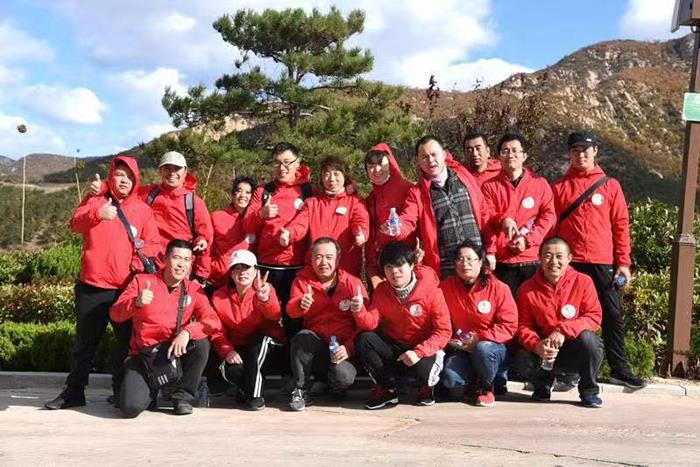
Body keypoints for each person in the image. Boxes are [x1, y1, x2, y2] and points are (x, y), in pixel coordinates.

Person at [45, 156, 159, 410]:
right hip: (92, 285)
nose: (124, 180)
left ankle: (120, 392)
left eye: (129, 176)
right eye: (119, 175)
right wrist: (98, 213)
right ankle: (74, 392)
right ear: (110, 177)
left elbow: (153, 244)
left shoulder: (143, 210)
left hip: (125, 289)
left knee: (125, 344)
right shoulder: (96, 200)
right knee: (85, 344)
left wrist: (135, 263)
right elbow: (75, 224)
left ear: (136, 181)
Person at [550, 130, 646, 389]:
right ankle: (568, 370)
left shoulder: (610, 185)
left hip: (602, 262)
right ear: (569, 154)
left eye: (585, 150)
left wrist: (623, 263)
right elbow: (551, 229)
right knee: (567, 315)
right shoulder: (558, 187)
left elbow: (621, 226)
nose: (580, 155)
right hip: (570, 264)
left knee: (612, 316)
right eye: (575, 150)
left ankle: (620, 369)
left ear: (595, 152)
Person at [110, 239, 220, 417]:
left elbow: (213, 321)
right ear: (165, 259)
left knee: (201, 344)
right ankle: (154, 388)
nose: (181, 264)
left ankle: (182, 396)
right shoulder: (142, 281)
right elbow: (115, 314)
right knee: (130, 408)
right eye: (177, 258)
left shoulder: (194, 290)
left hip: (174, 352)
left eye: (187, 259)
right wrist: (135, 303)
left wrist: (188, 332)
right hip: (145, 355)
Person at [88, 151, 214, 284]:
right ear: (160, 170)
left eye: (177, 168)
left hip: (180, 270)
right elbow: (122, 189)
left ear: (185, 172)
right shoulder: (148, 194)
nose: (172, 173)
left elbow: (206, 241)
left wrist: (200, 276)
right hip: (150, 266)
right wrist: (102, 187)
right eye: (167, 168)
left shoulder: (193, 202)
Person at [354, 241, 451, 409]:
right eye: (389, 267)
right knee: (364, 339)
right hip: (396, 347)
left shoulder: (432, 292)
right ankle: (387, 389)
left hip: (424, 348)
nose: (394, 272)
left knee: (425, 372)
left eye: (400, 266)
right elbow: (371, 323)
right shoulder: (382, 290)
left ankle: (426, 387)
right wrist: (359, 310)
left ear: (412, 265)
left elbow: (443, 331)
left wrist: (419, 352)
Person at [515, 237, 604, 408]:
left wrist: (563, 331)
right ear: (539, 258)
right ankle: (542, 384)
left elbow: (593, 316)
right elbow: (522, 325)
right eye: (548, 256)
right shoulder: (527, 289)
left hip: (572, 348)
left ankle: (589, 391)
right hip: (543, 350)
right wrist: (537, 345)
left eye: (559, 256)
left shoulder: (583, 282)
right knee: (521, 356)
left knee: (590, 341)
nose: (553, 262)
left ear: (569, 258)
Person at [285, 237, 369, 411]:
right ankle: (301, 389)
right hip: (317, 348)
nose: (323, 262)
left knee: (343, 376)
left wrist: (349, 348)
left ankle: (335, 386)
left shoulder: (352, 283)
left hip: (343, 350)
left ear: (338, 260)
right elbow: (291, 311)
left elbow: (366, 324)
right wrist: (300, 304)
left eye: (329, 257)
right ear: (311, 259)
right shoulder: (302, 281)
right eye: (318, 257)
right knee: (302, 337)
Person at [243, 142, 315, 338]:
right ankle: (269, 354)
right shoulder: (263, 191)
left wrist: (349, 187)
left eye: (287, 162)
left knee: (295, 318)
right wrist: (261, 214)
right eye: (276, 163)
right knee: (266, 319)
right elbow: (246, 225)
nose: (282, 168)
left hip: (297, 266)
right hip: (267, 266)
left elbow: (331, 197)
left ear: (297, 163)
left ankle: (293, 355)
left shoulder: (308, 191)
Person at [387, 135, 484, 278]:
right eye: (424, 157)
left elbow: (484, 212)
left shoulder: (463, 177)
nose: (431, 160)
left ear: (444, 154)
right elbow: (407, 220)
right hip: (447, 266)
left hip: (476, 260)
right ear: (418, 161)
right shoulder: (418, 193)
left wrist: (491, 251)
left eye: (434, 154)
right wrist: (397, 227)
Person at [439, 239, 517, 407]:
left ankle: (486, 386)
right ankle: (480, 378)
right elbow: (439, 320)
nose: (464, 263)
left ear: (480, 262)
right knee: (451, 381)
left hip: (492, 347)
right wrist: (450, 340)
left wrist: (480, 337)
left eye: (470, 259)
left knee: (483, 349)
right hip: (461, 349)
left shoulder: (498, 288)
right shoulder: (445, 287)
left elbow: (509, 326)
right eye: (460, 259)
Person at [209, 250, 285, 411]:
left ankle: (254, 396)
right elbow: (217, 330)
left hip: (269, 347)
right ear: (231, 273)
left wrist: (265, 299)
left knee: (256, 340)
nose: (242, 272)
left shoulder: (265, 288)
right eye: (237, 268)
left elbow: (275, 315)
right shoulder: (218, 296)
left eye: (246, 267)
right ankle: (249, 388)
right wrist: (227, 351)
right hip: (240, 347)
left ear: (256, 270)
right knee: (230, 369)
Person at [482, 133, 556, 296]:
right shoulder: (489, 187)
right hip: (502, 260)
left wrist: (528, 240)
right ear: (498, 157)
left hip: (532, 258)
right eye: (505, 151)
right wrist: (503, 219)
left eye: (515, 150)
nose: (510, 155)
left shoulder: (539, 184)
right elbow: (486, 217)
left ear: (524, 155)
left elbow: (549, 216)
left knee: (534, 306)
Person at [281, 156, 369, 277]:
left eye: (336, 174)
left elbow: (360, 221)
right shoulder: (312, 203)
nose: (331, 179)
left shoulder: (355, 201)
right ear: (321, 178)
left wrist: (361, 233)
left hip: (345, 268)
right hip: (316, 268)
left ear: (344, 176)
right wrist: (289, 233)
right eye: (326, 174)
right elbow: (300, 224)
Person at [364, 143, 417, 291]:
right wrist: (371, 268)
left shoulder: (408, 189)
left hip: (404, 262)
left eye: (381, 164)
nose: (377, 170)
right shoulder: (371, 197)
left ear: (390, 163)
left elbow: (410, 219)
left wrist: (398, 228)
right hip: (380, 267)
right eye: (371, 166)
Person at [208, 177, 257, 290]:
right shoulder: (217, 217)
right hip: (218, 280)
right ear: (233, 195)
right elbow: (207, 249)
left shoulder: (258, 221)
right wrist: (211, 268)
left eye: (248, 192)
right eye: (239, 191)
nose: (243, 195)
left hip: (246, 282)